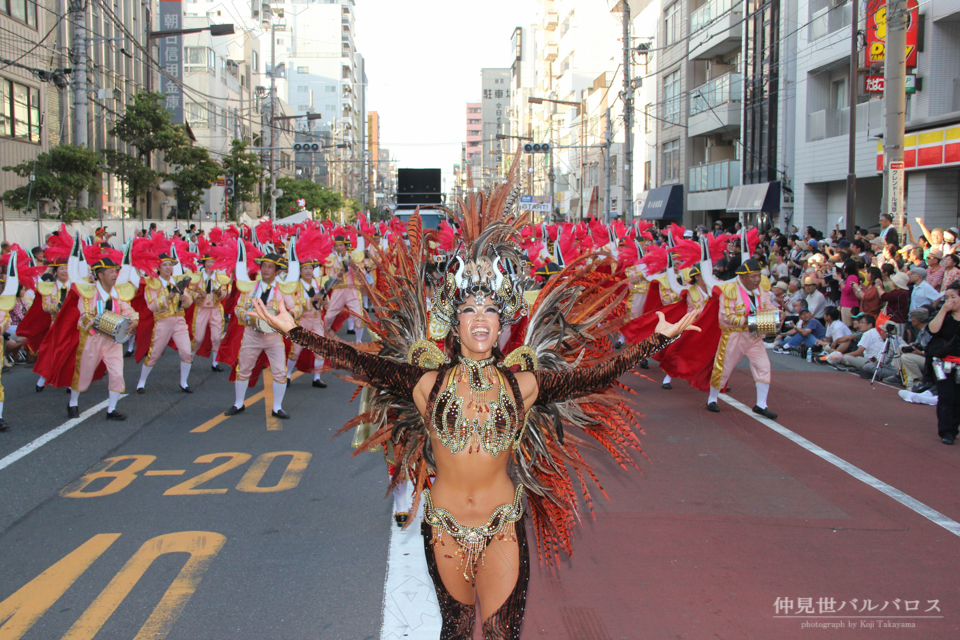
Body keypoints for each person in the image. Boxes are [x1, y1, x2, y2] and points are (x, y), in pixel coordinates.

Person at [252, 198, 698, 638]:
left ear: (502, 324)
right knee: (458, 631)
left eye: (489, 310)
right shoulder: (426, 383)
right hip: (443, 526)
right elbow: (358, 361)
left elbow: (593, 376)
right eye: (469, 310)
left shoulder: (523, 385)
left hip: (502, 524)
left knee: (503, 633)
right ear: (454, 320)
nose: (480, 318)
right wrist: (295, 332)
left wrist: (652, 343)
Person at [225, 253, 302, 418]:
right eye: (264, 266)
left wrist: (288, 316)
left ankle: (277, 407)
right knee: (244, 369)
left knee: (280, 371)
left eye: (270, 267)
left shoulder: (283, 289)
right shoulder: (251, 287)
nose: (266, 270)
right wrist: (246, 316)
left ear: (276, 271)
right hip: (251, 335)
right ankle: (238, 403)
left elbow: (297, 307)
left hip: (274, 337)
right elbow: (238, 307)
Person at [707, 258, 779, 420]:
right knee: (724, 368)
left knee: (764, 366)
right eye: (753, 276)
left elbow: (769, 308)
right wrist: (752, 320)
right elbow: (726, 318)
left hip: (755, 335)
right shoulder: (730, 290)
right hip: (734, 335)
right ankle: (712, 398)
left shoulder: (762, 291)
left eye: (758, 275)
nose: (757, 279)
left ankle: (761, 404)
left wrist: (777, 314)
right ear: (742, 277)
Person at [70, 257, 139, 419]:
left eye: (116, 271)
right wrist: (101, 324)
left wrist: (134, 320)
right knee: (84, 373)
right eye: (111, 272)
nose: (115, 275)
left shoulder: (117, 294)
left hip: (113, 340)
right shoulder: (88, 294)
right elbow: (85, 315)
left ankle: (111, 409)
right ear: (100, 275)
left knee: (116, 373)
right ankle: (73, 402)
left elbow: (128, 310)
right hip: (92, 339)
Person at [136, 253, 196, 393]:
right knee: (155, 353)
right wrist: (167, 298)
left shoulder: (178, 282)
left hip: (179, 320)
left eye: (170, 264)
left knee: (186, 352)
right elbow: (150, 306)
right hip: (162, 321)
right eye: (165, 265)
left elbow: (189, 303)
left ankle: (184, 383)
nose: (168, 267)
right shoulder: (152, 284)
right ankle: (141, 381)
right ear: (158, 267)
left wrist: (184, 299)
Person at [926, 283, 960, 445]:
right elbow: (932, 330)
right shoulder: (944, 315)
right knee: (946, 396)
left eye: (954, 297)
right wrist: (943, 310)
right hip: (941, 363)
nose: (950, 300)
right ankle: (946, 431)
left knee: (958, 398)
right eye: (947, 297)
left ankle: (953, 428)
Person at [191, 254, 231, 372]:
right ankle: (189, 358)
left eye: (213, 261)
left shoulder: (220, 278)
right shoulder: (197, 277)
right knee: (198, 338)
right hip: (201, 309)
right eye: (208, 262)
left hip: (215, 309)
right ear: (204, 263)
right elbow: (189, 293)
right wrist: (198, 295)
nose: (210, 264)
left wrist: (219, 293)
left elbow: (224, 293)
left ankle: (215, 363)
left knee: (216, 337)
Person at [323, 232, 365, 343]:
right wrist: (339, 275)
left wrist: (353, 265)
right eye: (336, 245)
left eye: (341, 245)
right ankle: (326, 334)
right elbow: (329, 279)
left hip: (352, 290)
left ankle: (359, 341)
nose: (339, 248)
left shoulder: (353, 257)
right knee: (329, 316)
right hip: (338, 290)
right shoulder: (331, 261)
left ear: (346, 246)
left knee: (358, 316)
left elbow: (363, 274)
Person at [896, 307, 932, 387]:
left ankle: (918, 380)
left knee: (906, 357)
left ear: (916, 320)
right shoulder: (922, 330)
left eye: (911, 318)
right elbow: (917, 344)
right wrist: (912, 346)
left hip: (930, 359)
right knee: (901, 347)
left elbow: (933, 350)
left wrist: (921, 353)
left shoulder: (929, 331)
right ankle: (899, 374)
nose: (910, 320)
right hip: (923, 356)